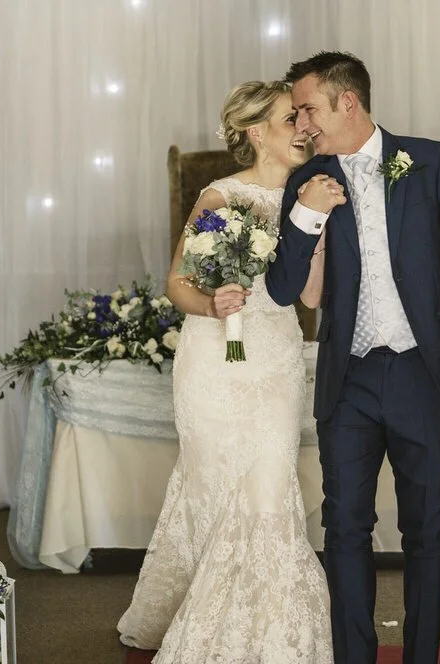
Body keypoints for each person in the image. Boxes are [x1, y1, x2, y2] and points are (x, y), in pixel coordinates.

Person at [266, 51, 440, 664]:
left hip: (425, 373)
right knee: (344, 529)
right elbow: (282, 289)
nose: (300, 124)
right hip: (349, 377)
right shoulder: (307, 180)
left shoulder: (429, 160)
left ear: (346, 102)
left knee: (428, 531)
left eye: (307, 109)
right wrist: (307, 215)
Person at [117, 81, 334, 662]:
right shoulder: (221, 198)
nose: (304, 129)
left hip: (275, 364)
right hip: (214, 363)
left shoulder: (310, 198)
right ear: (257, 132)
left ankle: (269, 637)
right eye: (291, 120)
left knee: (266, 493)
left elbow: (310, 298)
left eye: (304, 120)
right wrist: (213, 303)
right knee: (212, 490)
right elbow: (179, 284)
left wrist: (313, 232)